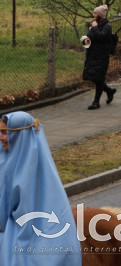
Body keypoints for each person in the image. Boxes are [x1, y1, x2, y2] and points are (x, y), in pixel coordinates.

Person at [0, 112, 83, 264]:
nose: (1, 137)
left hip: (30, 239)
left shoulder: (17, 167)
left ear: (19, 136)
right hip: (43, 234)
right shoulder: (30, 156)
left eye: (5, 133)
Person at [83, 4, 116, 110]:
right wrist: (85, 40)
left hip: (102, 56)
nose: (93, 14)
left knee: (99, 78)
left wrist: (95, 28)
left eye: (95, 13)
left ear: (100, 15)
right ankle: (109, 91)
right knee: (93, 77)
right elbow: (91, 36)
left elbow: (101, 37)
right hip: (92, 54)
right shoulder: (94, 24)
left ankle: (96, 102)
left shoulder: (107, 26)